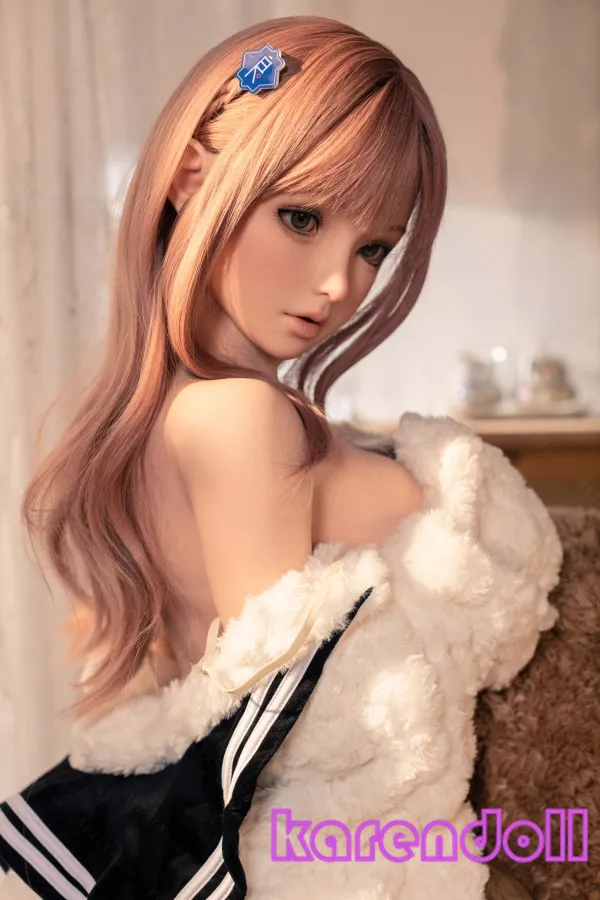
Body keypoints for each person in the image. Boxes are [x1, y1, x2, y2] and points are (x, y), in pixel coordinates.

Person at [0, 15, 559, 900]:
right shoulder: (239, 420)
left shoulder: (192, 412)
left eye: (373, 249)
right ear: (192, 179)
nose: (339, 284)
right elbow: (286, 722)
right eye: (302, 218)